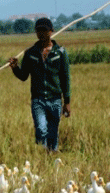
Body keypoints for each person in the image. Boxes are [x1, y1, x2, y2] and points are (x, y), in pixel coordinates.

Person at [8, 17, 71, 152]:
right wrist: (15, 68)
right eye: (38, 30)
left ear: (51, 31)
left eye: (44, 30)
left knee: (53, 132)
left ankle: (51, 156)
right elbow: (24, 76)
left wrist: (67, 102)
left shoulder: (60, 52)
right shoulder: (30, 53)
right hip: (38, 100)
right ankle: (43, 152)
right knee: (42, 130)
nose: (41, 33)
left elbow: (65, 78)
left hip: (55, 99)